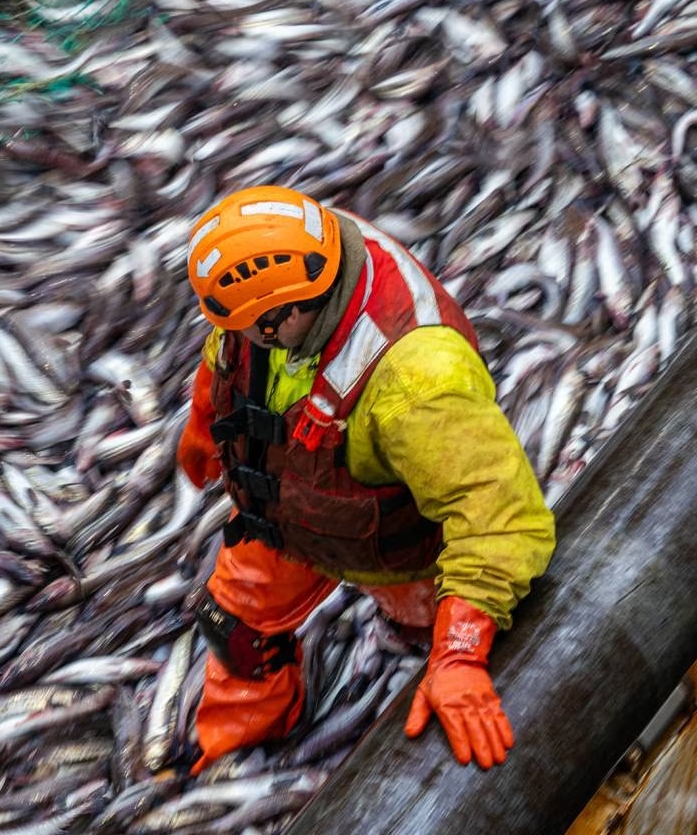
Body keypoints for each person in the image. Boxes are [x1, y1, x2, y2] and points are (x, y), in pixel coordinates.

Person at [178, 184, 556, 774]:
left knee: (429, 631)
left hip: (398, 537)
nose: (242, 336)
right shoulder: (305, 253)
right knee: (233, 625)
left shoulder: (417, 378)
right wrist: (206, 427)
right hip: (286, 505)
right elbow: (226, 354)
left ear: (286, 314)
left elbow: (500, 519)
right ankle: (234, 761)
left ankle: (414, 638)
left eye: (253, 327)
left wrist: (459, 654)